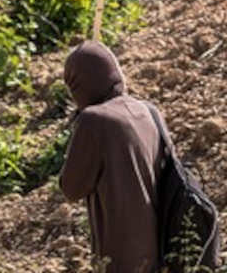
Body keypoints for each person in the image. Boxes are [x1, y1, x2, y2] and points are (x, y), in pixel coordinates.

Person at [59, 40, 164, 273]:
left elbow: (71, 188)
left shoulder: (94, 121)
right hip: (160, 247)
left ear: (78, 85)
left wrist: (78, 128)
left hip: (121, 257)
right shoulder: (146, 110)